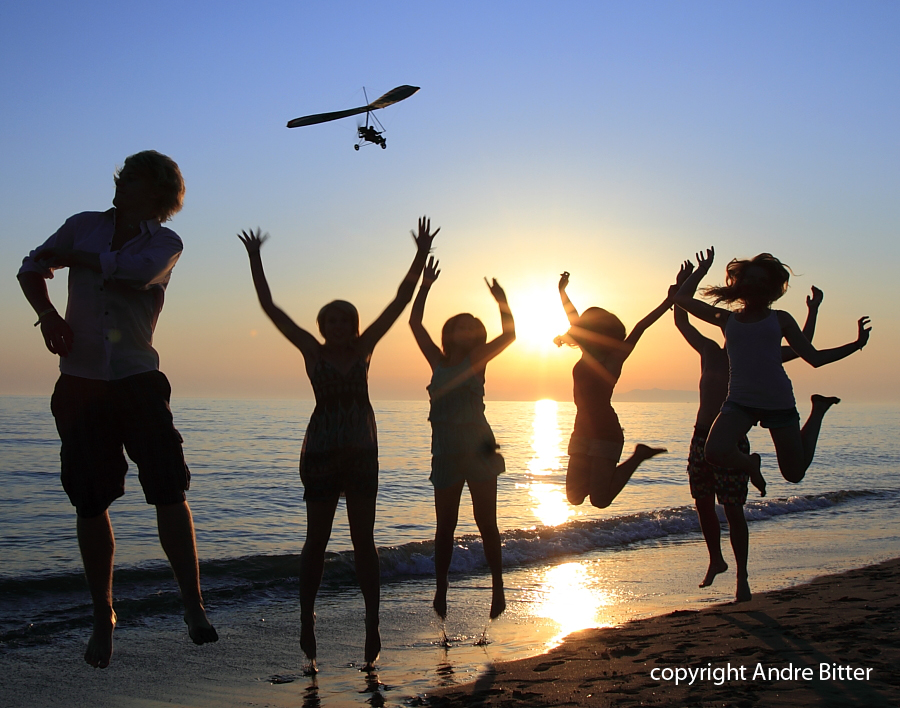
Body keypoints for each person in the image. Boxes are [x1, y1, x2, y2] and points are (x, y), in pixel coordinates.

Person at [16, 150, 217, 669]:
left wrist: (73, 259)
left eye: (129, 179)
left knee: (168, 490)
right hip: (80, 383)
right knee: (89, 501)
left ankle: (192, 604)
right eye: (120, 177)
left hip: (138, 379)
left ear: (156, 192)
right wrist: (48, 315)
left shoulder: (166, 243)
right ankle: (102, 614)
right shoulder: (82, 225)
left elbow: (131, 273)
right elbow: (30, 266)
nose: (118, 184)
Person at [238, 217, 438, 672]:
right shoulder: (310, 350)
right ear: (321, 325)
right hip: (322, 451)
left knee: (363, 541)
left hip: (362, 451)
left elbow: (399, 300)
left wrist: (419, 253)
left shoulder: (366, 346)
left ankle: (372, 623)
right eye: (331, 319)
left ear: (355, 325)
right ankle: (306, 618)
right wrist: (256, 260)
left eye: (345, 319)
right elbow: (271, 308)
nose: (338, 325)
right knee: (316, 540)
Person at [674, 258, 824, 601]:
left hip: (733, 437)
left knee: (732, 509)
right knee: (702, 501)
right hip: (702, 436)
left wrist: (812, 311)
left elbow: (803, 346)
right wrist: (686, 281)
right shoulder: (711, 351)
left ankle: (742, 577)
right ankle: (716, 561)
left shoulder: (763, 353)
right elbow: (683, 319)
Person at [673, 248, 871, 489]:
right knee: (713, 452)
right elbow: (682, 301)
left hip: (777, 401)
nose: (754, 284)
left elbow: (813, 356)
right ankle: (750, 464)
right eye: (749, 279)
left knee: (794, 473)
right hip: (740, 402)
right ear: (739, 284)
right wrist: (702, 270)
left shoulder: (780, 319)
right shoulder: (727, 319)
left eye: (761, 280)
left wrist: (856, 344)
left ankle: (817, 411)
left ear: (771, 287)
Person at [409, 257, 515, 622]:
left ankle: (498, 589)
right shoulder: (438, 361)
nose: (467, 333)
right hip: (446, 452)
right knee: (445, 527)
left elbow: (511, 335)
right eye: (461, 327)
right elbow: (414, 323)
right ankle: (441, 591)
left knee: (487, 522)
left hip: (480, 447)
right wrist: (424, 286)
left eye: (474, 328)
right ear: (450, 331)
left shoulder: (478, 359)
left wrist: (501, 300)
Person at [555, 271, 674, 509]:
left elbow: (641, 326)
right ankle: (600, 474)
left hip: (605, 430)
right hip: (581, 428)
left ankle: (638, 456)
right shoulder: (586, 354)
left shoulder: (614, 359)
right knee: (574, 497)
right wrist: (562, 292)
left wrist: (668, 302)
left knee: (600, 500)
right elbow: (573, 318)